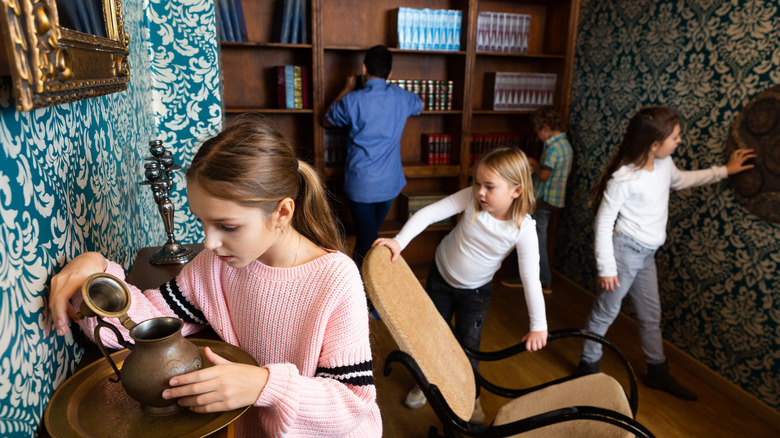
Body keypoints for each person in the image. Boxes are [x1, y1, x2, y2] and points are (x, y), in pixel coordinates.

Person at [48, 115, 382, 437]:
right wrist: (99, 276)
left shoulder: (336, 279)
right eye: (203, 223)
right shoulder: (214, 266)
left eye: (227, 226)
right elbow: (142, 330)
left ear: (281, 212)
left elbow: (351, 403)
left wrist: (266, 386)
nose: (209, 242)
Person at [577, 106, 756, 401]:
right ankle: (587, 368)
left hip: (646, 255)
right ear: (654, 144)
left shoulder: (664, 164)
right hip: (624, 253)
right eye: (675, 137)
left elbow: (682, 180)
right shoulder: (625, 177)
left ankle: (657, 372)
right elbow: (604, 222)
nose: (680, 141)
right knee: (606, 311)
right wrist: (606, 267)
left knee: (651, 315)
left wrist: (726, 171)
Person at [373, 147, 548, 424]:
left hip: (475, 292)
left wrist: (539, 324)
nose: (480, 191)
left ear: (516, 190)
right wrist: (399, 241)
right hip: (441, 277)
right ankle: (424, 382)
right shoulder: (472, 199)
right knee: (429, 335)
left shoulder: (523, 229)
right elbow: (429, 213)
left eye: (489, 186)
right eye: (477, 183)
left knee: (468, 345)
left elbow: (531, 279)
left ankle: (471, 396)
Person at [324, 44, 423, 272]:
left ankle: (366, 294)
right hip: (390, 184)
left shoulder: (352, 100)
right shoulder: (402, 97)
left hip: (362, 184)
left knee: (368, 240)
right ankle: (364, 292)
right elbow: (420, 105)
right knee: (368, 238)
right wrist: (394, 92)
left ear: (364, 68)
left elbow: (327, 119)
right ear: (390, 73)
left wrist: (347, 87)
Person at [501, 105, 573, 293]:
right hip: (555, 198)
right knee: (537, 237)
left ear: (545, 127)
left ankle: (540, 279)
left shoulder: (552, 149)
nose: (537, 135)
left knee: (535, 239)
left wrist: (533, 163)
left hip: (543, 199)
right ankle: (539, 278)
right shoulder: (566, 145)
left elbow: (543, 175)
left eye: (537, 131)